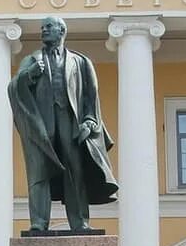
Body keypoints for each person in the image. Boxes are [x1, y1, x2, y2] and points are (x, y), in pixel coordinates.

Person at [8, 15, 118, 232]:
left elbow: (91, 96)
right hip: (41, 126)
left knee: (74, 171)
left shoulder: (80, 62)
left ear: (62, 31)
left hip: (71, 123)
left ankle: (80, 222)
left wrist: (89, 121)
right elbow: (13, 89)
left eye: (49, 27)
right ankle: (39, 223)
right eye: (42, 28)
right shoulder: (32, 60)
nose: (43, 31)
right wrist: (29, 76)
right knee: (38, 174)